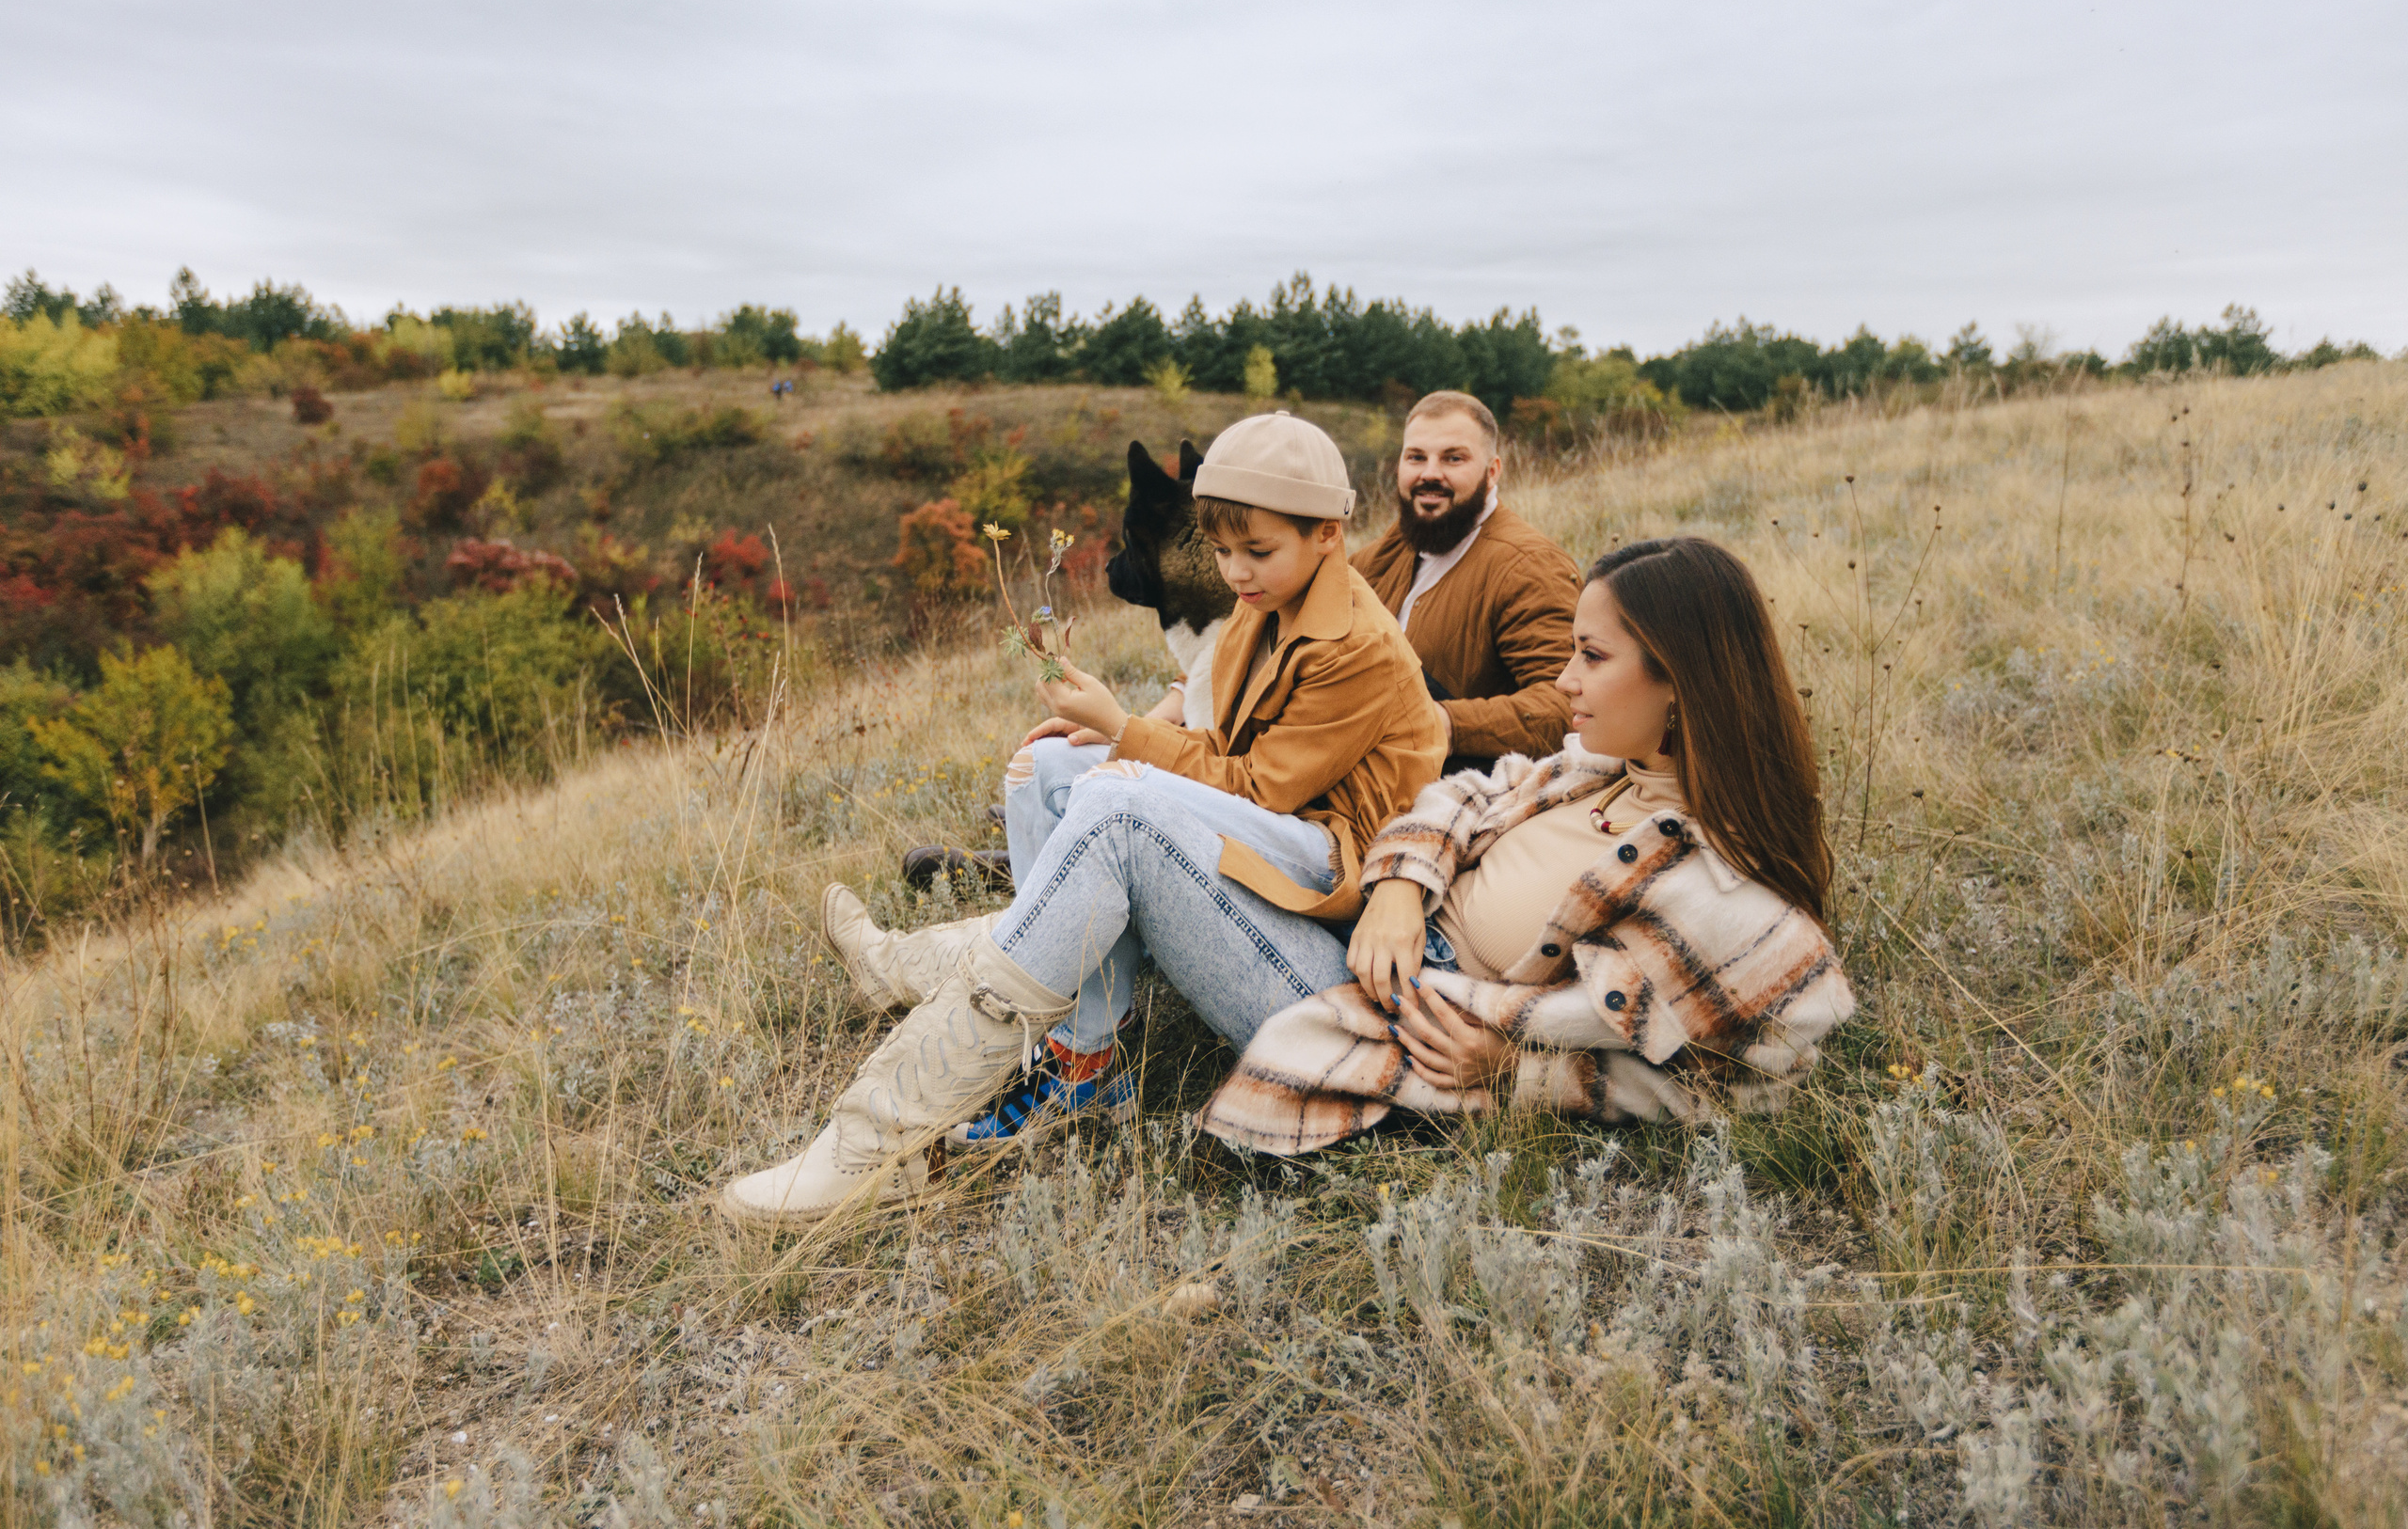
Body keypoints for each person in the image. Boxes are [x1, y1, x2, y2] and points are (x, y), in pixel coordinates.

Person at [721, 412, 1448, 1223]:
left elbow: (1263, 786)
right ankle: (1087, 1058)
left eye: (1259, 551)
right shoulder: (1270, 600)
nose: (1236, 572)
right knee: (1049, 767)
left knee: (1114, 792)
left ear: (1327, 533)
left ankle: (874, 1138)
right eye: (1221, 550)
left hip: (1328, 873)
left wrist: (1125, 729)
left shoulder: (1359, 644)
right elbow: (1226, 744)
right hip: (1268, 841)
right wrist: (1110, 733)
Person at [1198, 536, 1857, 1152]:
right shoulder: (1593, 766)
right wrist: (1400, 887)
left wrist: (1523, 1072)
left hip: (1400, 1005)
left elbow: (1756, 1083)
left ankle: (1092, 1075)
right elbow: (1461, 793)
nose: (1566, 678)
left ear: (1680, 683)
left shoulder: (1721, 886)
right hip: (1384, 912)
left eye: (1592, 657)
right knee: (1137, 793)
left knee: (1132, 820)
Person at [1350, 391, 1579, 767]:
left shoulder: (1528, 566)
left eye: (1453, 458)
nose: (1429, 474)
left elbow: (1566, 707)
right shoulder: (1383, 555)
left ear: (1492, 472)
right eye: (1416, 457)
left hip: (1461, 783)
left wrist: (1445, 722)